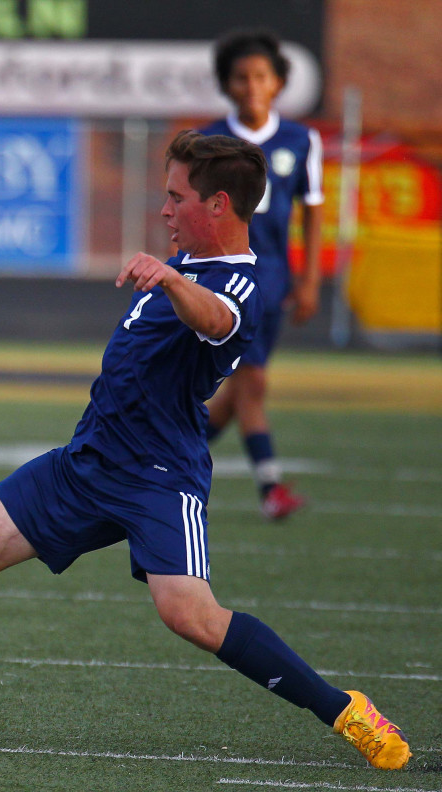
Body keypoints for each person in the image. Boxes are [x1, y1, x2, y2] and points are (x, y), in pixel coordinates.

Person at [0, 131, 411, 772]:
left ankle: (346, 710)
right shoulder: (185, 268)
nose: (164, 210)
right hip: (88, 462)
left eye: (175, 197)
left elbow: (219, 323)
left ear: (218, 205)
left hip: (157, 477)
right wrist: (171, 275)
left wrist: (169, 278)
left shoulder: (239, 282)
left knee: (190, 615)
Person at [201, 30, 324, 520]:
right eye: (241, 78)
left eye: (261, 77)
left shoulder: (300, 139)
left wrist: (310, 279)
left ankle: (161, 455)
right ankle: (270, 487)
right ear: (227, 85)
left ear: (278, 84)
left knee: (240, 391)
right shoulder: (211, 141)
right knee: (250, 383)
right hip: (229, 276)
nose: (251, 86)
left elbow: (313, 211)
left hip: (275, 276)